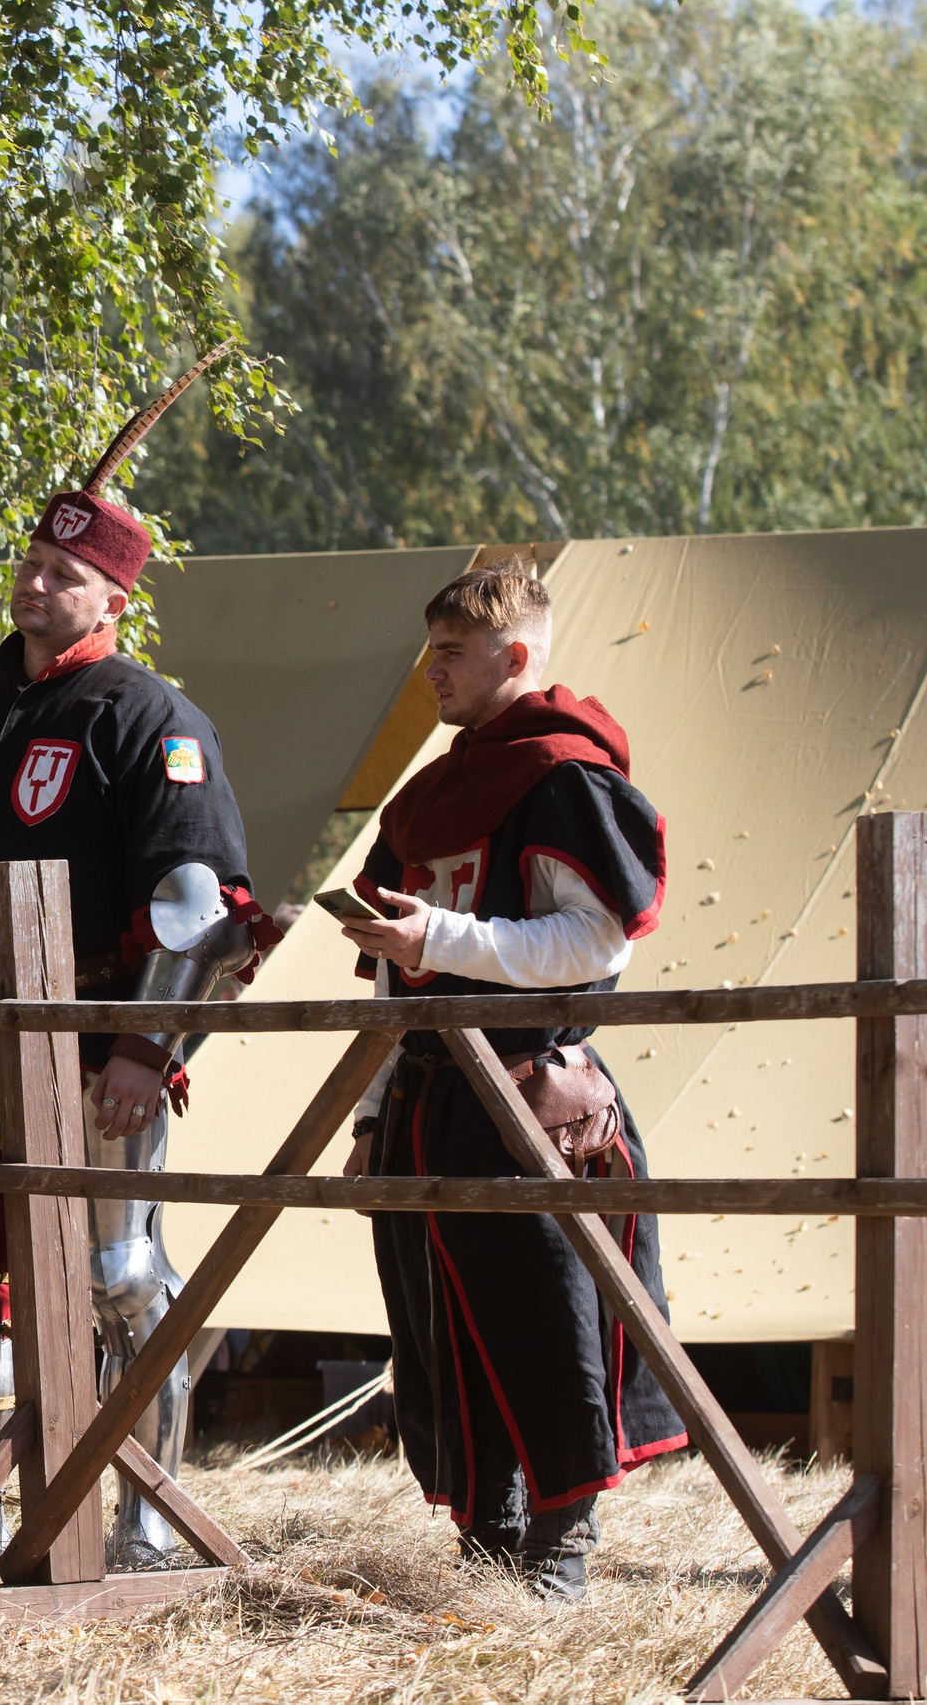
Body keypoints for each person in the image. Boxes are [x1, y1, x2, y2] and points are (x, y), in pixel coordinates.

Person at [0, 353, 274, 1568]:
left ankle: (142, 1523)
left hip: (98, 1045)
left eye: (66, 574)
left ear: (112, 600)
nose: (37, 585)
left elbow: (197, 900)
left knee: (118, 1269)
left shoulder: (150, 718)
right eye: (32, 566)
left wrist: (146, 1044)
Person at [333, 561, 683, 1600]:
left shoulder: (565, 777)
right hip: (428, 1098)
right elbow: (399, 979)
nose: (429, 671)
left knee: (546, 1315)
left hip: (529, 1091)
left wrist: (436, 933)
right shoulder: (430, 792)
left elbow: (592, 940)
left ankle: (559, 1543)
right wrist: (368, 1106)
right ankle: (487, 1530)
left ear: (515, 655)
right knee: (436, 1321)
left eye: (449, 652)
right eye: (429, 648)